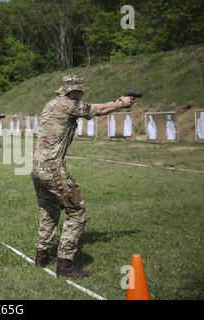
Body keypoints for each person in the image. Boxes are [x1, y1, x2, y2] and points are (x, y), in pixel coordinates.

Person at [31, 75, 136, 277]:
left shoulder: (52, 103)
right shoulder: (67, 104)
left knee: (50, 210)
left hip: (37, 168)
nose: (81, 96)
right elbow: (98, 110)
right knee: (77, 211)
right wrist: (121, 103)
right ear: (76, 91)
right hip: (53, 167)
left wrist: (118, 102)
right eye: (80, 92)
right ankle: (65, 264)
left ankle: (42, 254)